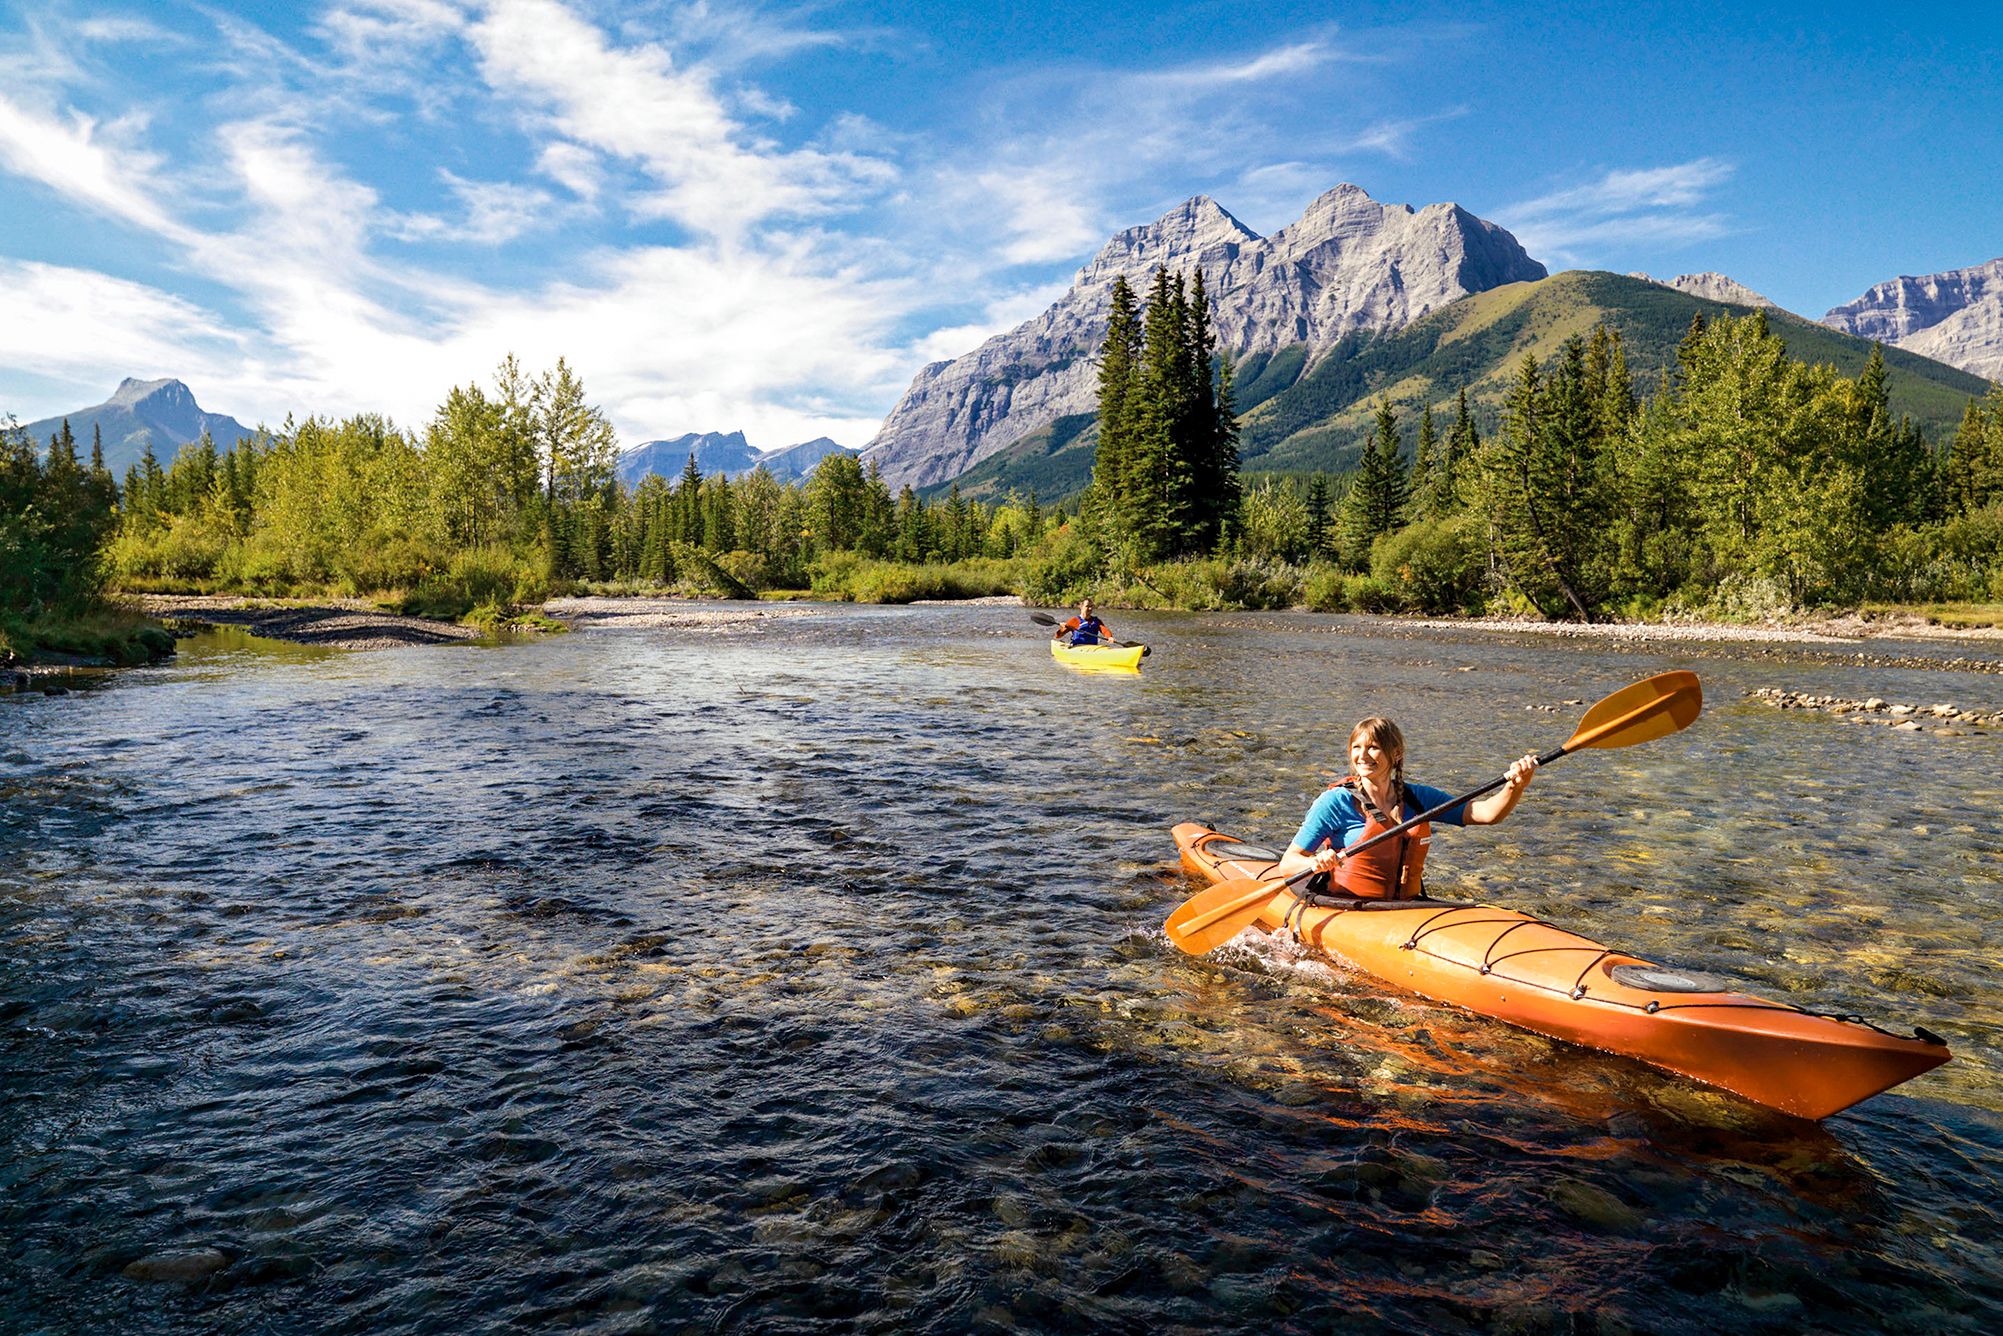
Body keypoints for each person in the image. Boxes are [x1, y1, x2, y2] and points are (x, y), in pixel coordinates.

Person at [1272, 716, 1539, 900]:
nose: (1362, 756)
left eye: (1374, 748)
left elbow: (1486, 814)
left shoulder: (1418, 798)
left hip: (1405, 907)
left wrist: (1516, 786)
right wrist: (1314, 861)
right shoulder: (1336, 802)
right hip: (1349, 906)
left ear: (1396, 754)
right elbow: (1288, 863)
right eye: (1357, 747)